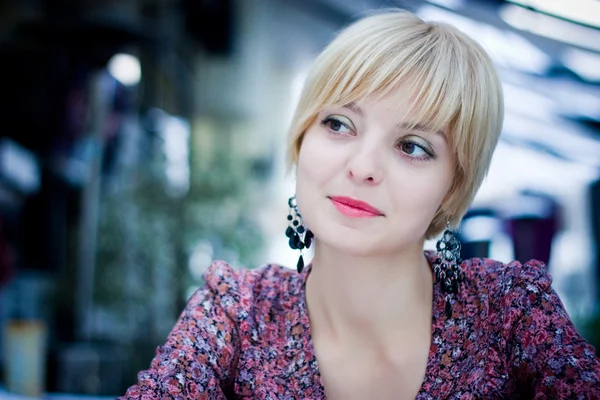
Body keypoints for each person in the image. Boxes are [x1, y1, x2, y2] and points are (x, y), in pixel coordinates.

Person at [120, 10, 600, 399]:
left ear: (453, 190)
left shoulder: (509, 312)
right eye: (339, 124)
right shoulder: (236, 312)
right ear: (302, 137)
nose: (363, 167)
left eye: (413, 146)